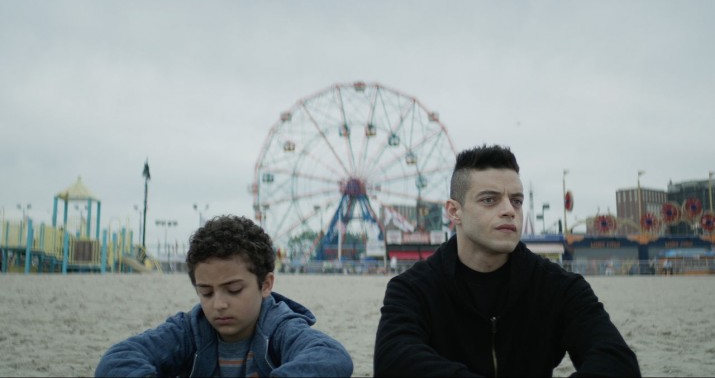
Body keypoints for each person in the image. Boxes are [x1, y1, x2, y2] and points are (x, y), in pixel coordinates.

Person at [374, 144, 640, 377]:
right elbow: (393, 361)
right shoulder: (412, 289)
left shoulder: (560, 287)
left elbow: (616, 361)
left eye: (516, 201)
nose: (509, 211)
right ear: (454, 211)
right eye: (489, 200)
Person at [96, 215, 353, 377]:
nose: (218, 304)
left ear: (266, 284)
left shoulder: (280, 328)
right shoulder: (189, 330)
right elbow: (117, 359)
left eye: (234, 290)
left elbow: (331, 356)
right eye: (206, 292)